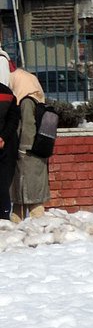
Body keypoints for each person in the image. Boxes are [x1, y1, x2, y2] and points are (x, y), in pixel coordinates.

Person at [8, 59, 50, 221]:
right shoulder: (36, 99)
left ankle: (36, 224)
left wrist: (22, 149)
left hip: (28, 154)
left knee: (30, 194)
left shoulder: (26, 102)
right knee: (22, 193)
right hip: (34, 153)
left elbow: (28, 127)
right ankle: (18, 220)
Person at [0, 47, 17, 221]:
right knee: (3, 182)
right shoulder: (8, 93)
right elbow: (13, 119)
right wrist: (3, 137)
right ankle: (4, 215)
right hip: (5, 144)